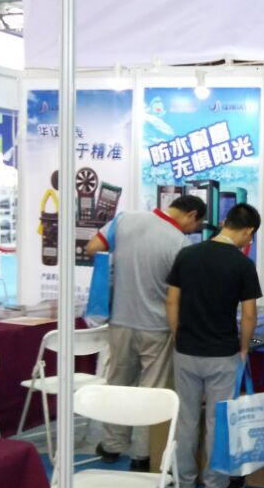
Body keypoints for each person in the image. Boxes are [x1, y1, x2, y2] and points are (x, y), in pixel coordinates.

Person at [86, 194, 206, 471]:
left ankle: (112, 445)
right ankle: (143, 454)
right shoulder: (180, 244)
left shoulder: (124, 220)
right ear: (191, 215)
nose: (193, 230)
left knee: (118, 383)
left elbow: (93, 248)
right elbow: (183, 293)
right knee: (153, 390)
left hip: (120, 321)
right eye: (196, 225)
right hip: (158, 327)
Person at [166, 203, 262, 488]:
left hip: (186, 350)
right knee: (218, 422)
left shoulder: (187, 254)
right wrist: (244, 348)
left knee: (185, 418)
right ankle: (215, 485)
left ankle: (182, 480)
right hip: (223, 353)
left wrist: (178, 336)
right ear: (248, 231)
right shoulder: (242, 265)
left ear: (225, 223)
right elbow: (249, 315)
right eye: (251, 236)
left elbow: (171, 301)